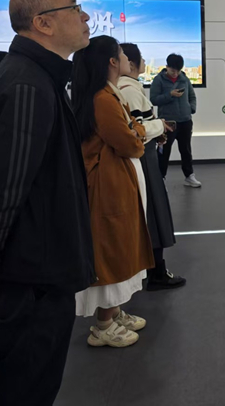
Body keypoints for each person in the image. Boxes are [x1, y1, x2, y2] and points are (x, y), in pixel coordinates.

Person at [0, 0, 95, 406]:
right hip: (35, 267)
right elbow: (2, 189)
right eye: (75, 8)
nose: (86, 16)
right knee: (26, 380)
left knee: (32, 373)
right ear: (43, 23)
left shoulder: (36, 76)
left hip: (38, 261)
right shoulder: (28, 85)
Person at [72, 36, 155, 347]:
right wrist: (139, 136)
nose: (127, 59)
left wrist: (137, 132)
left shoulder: (107, 94)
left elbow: (134, 130)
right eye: (121, 54)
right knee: (113, 247)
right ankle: (104, 325)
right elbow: (130, 141)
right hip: (109, 186)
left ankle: (114, 311)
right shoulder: (103, 99)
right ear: (111, 61)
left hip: (117, 181)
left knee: (121, 244)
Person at [118, 43, 186, 291]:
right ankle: (156, 271)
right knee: (154, 213)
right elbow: (138, 130)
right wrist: (159, 127)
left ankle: (150, 268)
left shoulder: (125, 88)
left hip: (144, 156)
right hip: (143, 160)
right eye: (141, 58)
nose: (145, 62)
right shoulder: (129, 90)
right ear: (130, 64)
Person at [150, 53, 201, 187]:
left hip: (185, 121)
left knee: (186, 150)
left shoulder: (184, 79)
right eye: (173, 70)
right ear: (167, 67)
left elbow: (192, 96)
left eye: (178, 70)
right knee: (164, 151)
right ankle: (161, 178)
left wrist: (191, 108)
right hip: (167, 122)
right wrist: (170, 95)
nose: (175, 73)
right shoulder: (159, 80)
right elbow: (153, 99)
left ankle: (189, 176)